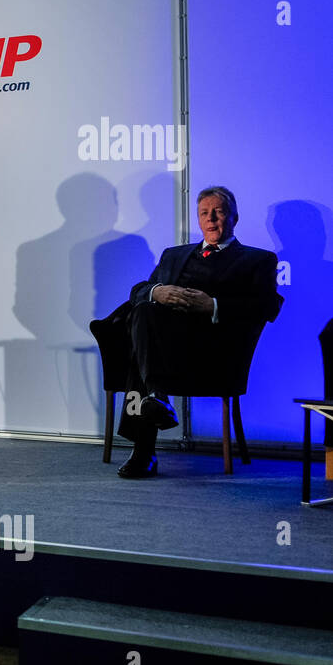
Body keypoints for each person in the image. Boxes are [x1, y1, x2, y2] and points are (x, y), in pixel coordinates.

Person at [115, 186, 282, 478]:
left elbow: (266, 307)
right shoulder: (174, 255)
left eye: (219, 212)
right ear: (197, 219)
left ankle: (145, 446)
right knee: (144, 311)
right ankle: (154, 399)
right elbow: (138, 291)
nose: (212, 219)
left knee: (142, 355)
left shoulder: (258, 260)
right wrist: (158, 290)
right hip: (165, 350)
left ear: (234, 218)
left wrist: (213, 305)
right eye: (204, 213)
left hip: (213, 354)